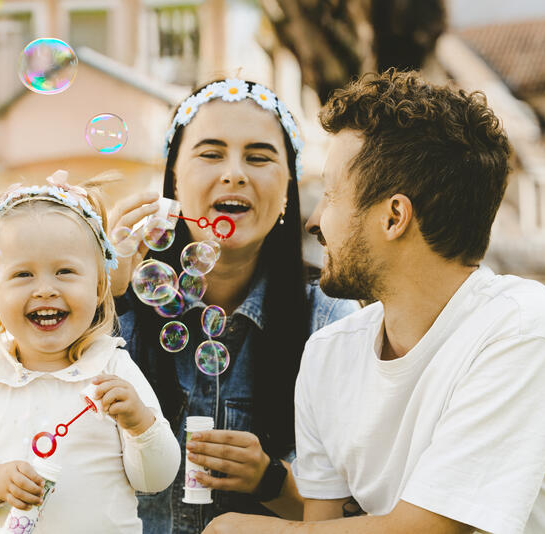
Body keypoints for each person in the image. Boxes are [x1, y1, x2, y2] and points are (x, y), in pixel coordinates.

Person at [204, 70, 545, 534]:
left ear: (393, 217)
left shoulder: (526, 334)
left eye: (330, 195)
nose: (314, 221)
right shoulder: (329, 355)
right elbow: (321, 526)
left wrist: (240, 530)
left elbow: (431, 531)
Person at [109, 79, 359, 533]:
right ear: (174, 180)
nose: (235, 173)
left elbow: (352, 515)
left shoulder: (330, 318)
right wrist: (104, 293)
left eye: (260, 157)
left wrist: (271, 481)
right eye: (210, 153)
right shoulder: (120, 301)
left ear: (287, 189)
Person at [0, 171, 181, 533]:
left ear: (100, 287)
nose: (45, 290)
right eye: (22, 275)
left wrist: (139, 424)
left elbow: (156, 479)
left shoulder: (112, 366)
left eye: (65, 271)